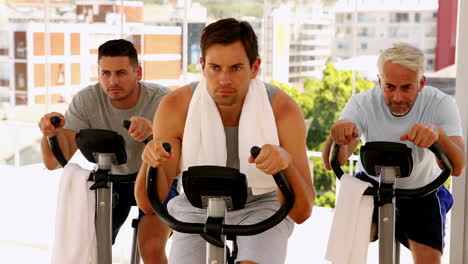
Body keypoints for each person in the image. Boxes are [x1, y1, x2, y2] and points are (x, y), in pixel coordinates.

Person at [135, 18, 315, 264]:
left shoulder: (282, 109)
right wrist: (149, 160)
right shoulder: (176, 107)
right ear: (202, 65)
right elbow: (147, 204)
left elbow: (302, 212)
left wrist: (285, 165)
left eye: (236, 68)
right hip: (197, 206)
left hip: (262, 204)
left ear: (255, 67)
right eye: (215, 67)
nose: (224, 80)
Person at [322, 43, 466, 264]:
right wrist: (339, 137)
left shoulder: (441, 104)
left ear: (421, 83)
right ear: (380, 81)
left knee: (428, 258)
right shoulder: (362, 103)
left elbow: (457, 167)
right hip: (372, 184)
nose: (397, 97)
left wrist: (439, 135)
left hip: (423, 190)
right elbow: (332, 162)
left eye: (406, 87)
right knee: (346, 253)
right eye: (389, 86)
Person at [38, 39, 178, 264]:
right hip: (110, 181)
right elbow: (53, 162)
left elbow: (182, 154)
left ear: (138, 72)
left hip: (155, 179)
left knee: (151, 249)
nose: (113, 81)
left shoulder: (163, 99)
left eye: (121, 73)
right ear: (99, 73)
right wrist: (49, 133)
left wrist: (154, 133)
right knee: (89, 246)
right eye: (106, 73)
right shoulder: (87, 100)